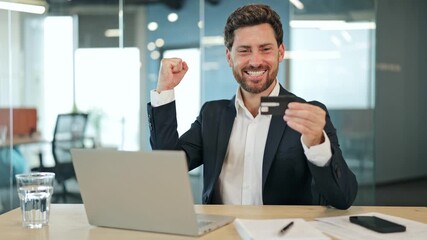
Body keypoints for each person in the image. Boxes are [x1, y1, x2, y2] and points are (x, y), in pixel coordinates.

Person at [147, 4, 357, 209]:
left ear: (280, 52)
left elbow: (342, 198)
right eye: (244, 51)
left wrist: (316, 144)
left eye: (265, 49)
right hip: (222, 232)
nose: (255, 61)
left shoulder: (306, 114)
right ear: (230, 57)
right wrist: (164, 90)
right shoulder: (212, 114)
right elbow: (168, 167)